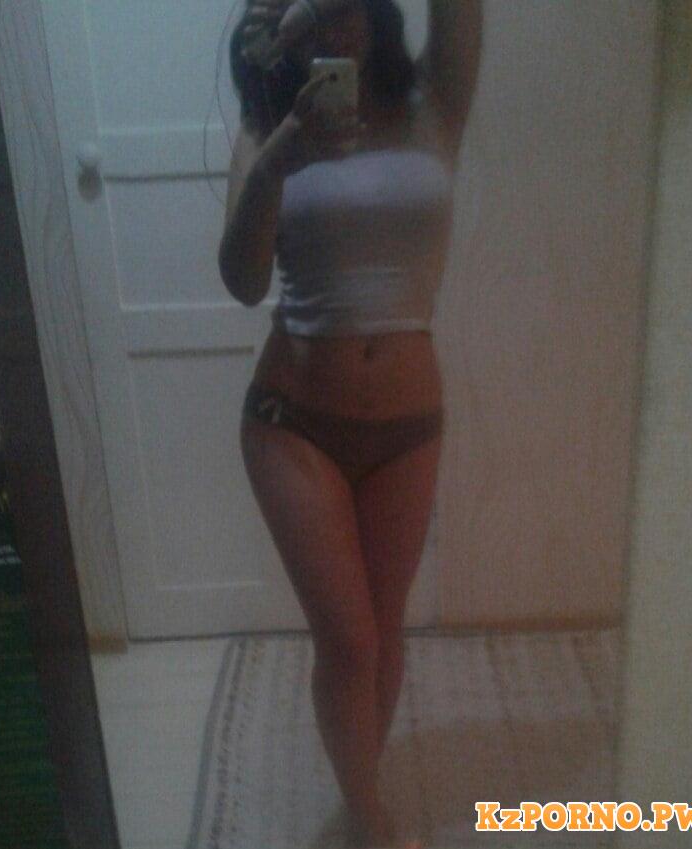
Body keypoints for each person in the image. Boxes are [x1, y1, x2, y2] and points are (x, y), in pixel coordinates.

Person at [220, 1, 481, 845]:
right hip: (293, 422)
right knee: (350, 642)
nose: (336, 20)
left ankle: (358, 789)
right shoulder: (265, 130)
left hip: (409, 427)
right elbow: (243, 282)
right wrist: (278, 159)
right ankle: (367, 815)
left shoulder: (434, 101)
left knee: (384, 629)